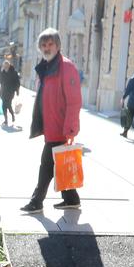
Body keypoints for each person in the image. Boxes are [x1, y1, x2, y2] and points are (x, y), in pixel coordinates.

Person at [20, 27, 81, 215]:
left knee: (46, 165)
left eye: (50, 44)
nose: (47, 48)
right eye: (43, 45)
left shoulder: (66, 67)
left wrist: (70, 129)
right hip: (51, 126)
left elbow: (74, 101)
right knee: (59, 163)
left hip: (60, 128)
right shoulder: (46, 67)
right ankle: (71, 198)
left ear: (58, 45)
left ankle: (36, 201)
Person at [0, 55, 21, 127]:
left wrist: (17, 90)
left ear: (9, 65)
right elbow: (0, 81)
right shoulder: (3, 72)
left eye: (6, 65)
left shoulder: (14, 72)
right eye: (4, 66)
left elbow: (17, 82)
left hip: (10, 92)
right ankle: (6, 120)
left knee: (7, 105)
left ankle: (11, 116)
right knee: (4, 106)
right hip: (3, 91)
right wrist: (1, 73)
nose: (5, 67)